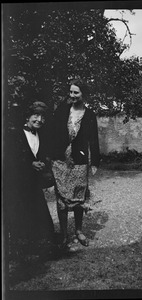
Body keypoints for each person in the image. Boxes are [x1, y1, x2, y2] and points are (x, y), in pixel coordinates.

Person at [51, 78, 100, 252]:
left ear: (83, 95)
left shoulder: (89, 114)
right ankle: (64, 235)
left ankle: (78, 231)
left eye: (76, 92)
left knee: (79, 197)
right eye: (70, 92)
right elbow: (53, 132)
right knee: (62, 199)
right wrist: (51, 155)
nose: (72, 95)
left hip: (79, 162)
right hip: (60, 161)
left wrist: (94, 161)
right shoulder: (62, 110)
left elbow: (93, 139)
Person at [7, 101, 56, 258]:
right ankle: (20, 249)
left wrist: (42, 164)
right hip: (17, 183)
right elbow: (9, 159)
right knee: (20, 214)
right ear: (28, 117)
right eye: (36, 115)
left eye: (42, 117)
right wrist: (29, 164)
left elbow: (40, 154)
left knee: (39, 212)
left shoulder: (40, 135)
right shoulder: (15, 134)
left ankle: (41, 247)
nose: (39, 120)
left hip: (33, 183)